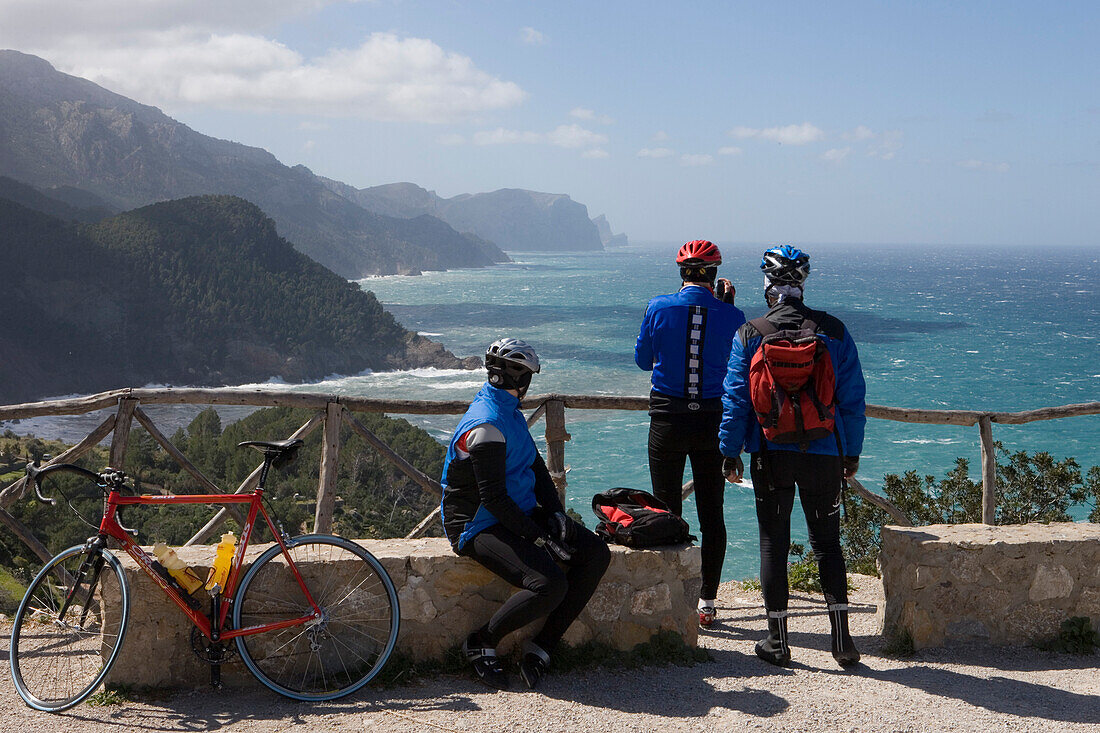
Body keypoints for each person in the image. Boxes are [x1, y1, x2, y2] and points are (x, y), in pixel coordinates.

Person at [719, 244, 866, 667]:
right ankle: (842, 642)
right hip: (824, 453)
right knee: (827, 544)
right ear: (802, 282)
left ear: (767, 284)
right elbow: (852, 398)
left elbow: (736, 400)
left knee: (773, 542)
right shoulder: (834, 330)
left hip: (770, 452)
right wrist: (850, 453)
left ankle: (777, 642)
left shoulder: (750, 331)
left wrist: (729, 451)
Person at [441, 338, 611, 690]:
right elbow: (494, 498)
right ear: (520, 381)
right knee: (549, 584)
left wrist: (556, 515)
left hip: (514, 512)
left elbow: (535, 468)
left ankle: (542, 646)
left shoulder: (508, 412)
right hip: (477, 523)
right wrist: (540, 537)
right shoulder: (486, 424)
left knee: (596, 553)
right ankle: (483, 641)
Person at [634, 240, 745, 627]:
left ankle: (671, 601)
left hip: (668, 418)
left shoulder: (658, 306)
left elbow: (642, 360)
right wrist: (727, 308)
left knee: (666, 508)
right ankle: (708, 602)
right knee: (712, 513)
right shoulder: (733, 316)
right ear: (714, 276)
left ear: (682, 273)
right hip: (712, 420)